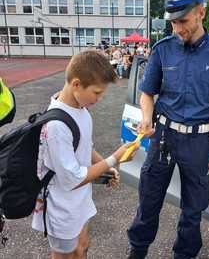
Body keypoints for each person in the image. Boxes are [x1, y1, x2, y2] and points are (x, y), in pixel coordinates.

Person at [126, 0, 209, 259]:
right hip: (163, 137)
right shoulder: (162, 50)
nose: (177, 28)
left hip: (198, 141)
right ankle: (137, 250)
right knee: (148, 201)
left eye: (183, 21)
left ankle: (184, 255)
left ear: (201, 13)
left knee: (193, 210)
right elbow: (148, 93)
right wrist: (147, 117)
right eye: (173, 22)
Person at [31, 50, 139, 259]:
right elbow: (73, 179)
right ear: (76, 84)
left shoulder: (80, 110)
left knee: (83, 247)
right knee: (66, 255)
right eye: (97, 93)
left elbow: (85, 148)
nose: (99, 99)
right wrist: (113, 158)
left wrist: (106, 168)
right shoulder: (56, 127)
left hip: (79, 202)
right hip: (61, 209)